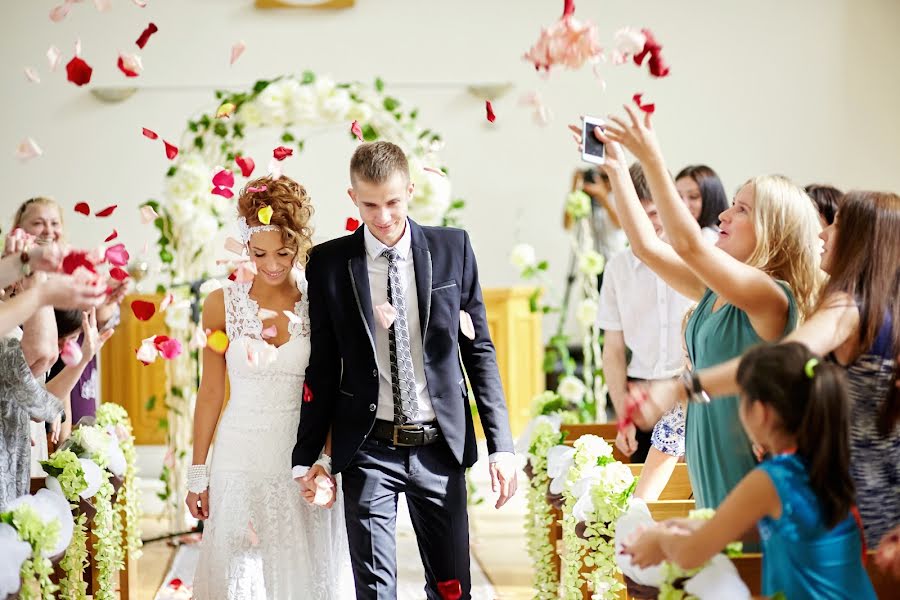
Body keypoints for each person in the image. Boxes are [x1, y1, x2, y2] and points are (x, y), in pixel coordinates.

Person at [292, 141, 517, 600]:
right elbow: (322, 364)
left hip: (440, 448)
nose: (384, 216)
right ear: (352, 196)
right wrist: (308, 454)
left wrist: (502, 448)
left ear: (410, 190)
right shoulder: (331, 264)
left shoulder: (453, 248)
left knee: (452, 589)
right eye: (370, 204)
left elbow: (480, 352)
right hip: (369, 448)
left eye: (393, 202)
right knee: (375, 592)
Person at [570, 107, 822, 513]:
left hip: (745, 461)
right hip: (709, 455)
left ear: (774, 229)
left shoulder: (770, 294)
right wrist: (617, 168)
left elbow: (687, 245)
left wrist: (652, 157)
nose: (723, 214)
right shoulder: (714, 290)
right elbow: (648, 249)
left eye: (741, 209)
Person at [631, 190, 900, 546]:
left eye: (837, 225)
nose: (823, 234)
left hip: (857, 499)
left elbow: (783, 361)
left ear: (863, 241)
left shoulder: (848, 306)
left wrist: (682, 388)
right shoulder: (881, 310)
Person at [187, 175, 353, 599]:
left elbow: (336, 387)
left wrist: (327, 462)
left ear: (300, 242)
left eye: (283, 251)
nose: (272, 263)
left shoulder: (322, 299)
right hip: (238, 451)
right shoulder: (220, 303)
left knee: (305, 570)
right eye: (259, 253)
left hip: (301, 452)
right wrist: (197, 473)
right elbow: (210, 392)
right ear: (245, 244)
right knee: (227, 567)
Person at [625, 343, 876, 600]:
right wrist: (692, 525)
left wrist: (658, 541)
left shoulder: (772, 478)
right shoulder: (822, 464)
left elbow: (691, 554)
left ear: (760, 411)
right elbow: (773, 527)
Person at [599, 163, 694, 473]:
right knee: (647, 510)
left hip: (694, 393)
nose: (647, 226)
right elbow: (612, 350)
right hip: (641, 399)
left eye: (653, 214)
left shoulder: (697, 259)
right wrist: (622, 416)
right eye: (636, 216)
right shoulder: (617, 269)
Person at [12, 197, 128, 425]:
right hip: (28, 379)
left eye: (55, 223)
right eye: (38, 223)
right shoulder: (11, 277)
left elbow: (98, 322)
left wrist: (106, 298)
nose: (48, 230)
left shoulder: (75, 270)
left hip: (70, 376)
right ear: (19, 228)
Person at [674, 165, 730, 244]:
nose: (683, 204)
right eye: (678, 196)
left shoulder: (708, 236)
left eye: (694, 196)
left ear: (711, 199)